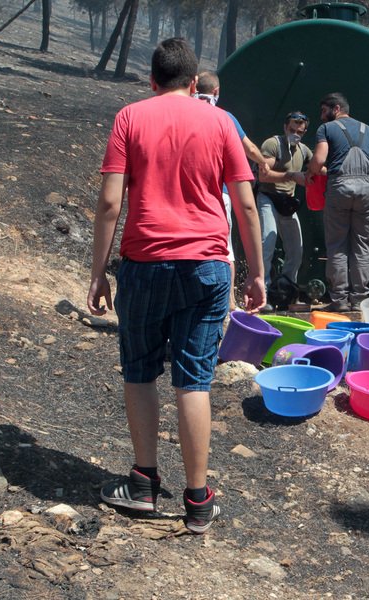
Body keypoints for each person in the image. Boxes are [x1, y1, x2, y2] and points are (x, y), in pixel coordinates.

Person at [87, 39, 265, 533]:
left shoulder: (129, 118)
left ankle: (143, 483)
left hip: (144, 264)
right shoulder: (221, 122)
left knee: (141, 370)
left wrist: (98, 271)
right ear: (194, 84)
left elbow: (108, 204)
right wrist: (256, 271)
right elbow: (246, 204)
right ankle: (197, 499)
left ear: (151, 81)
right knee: (194, 378)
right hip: (208, 267)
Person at [194, 71, 272, 309]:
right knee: (224, 249)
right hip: (220, 195)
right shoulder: (224, 117)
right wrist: (263, 162)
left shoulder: (180, 112)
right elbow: (248, 148)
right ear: (216, 91)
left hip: (184, 193)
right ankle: (227, 304)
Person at [307, 92, 369, 312]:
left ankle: (339, 300)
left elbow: (319, 159)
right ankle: (359, 299)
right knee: (362, 245)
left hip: (339, 187)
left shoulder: (326, 129)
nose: (322, 116)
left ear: (336, 108)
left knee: (337, 244)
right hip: (367, 190)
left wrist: (313, 171)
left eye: (324, 111)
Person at [256, 111, 313, 298]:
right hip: (268, 197)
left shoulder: (303, 150)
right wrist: (291, 176)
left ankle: (287, 289)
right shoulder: (273, 144)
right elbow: (263, 174)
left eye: (300, 131)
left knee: (297, 249)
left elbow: (318, 166)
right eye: (292, 129)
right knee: (268, 242)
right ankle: (262, 289)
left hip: (287, 202)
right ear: (285, 127)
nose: (296, 134)